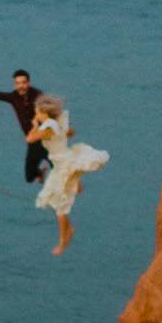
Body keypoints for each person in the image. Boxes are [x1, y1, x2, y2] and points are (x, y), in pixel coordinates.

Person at [28, 94, 109, 257]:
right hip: (63, 161)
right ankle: (74, 185)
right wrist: (60, 134)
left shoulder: (48, 126)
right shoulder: (56, 124)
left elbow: (30, 138)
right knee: (54, 198)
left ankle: (64, 238)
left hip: (63, 165)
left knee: (59, 205)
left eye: (36, 111)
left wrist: (35, 125)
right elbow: (70, 133)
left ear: (42, 112)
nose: (35, 113)